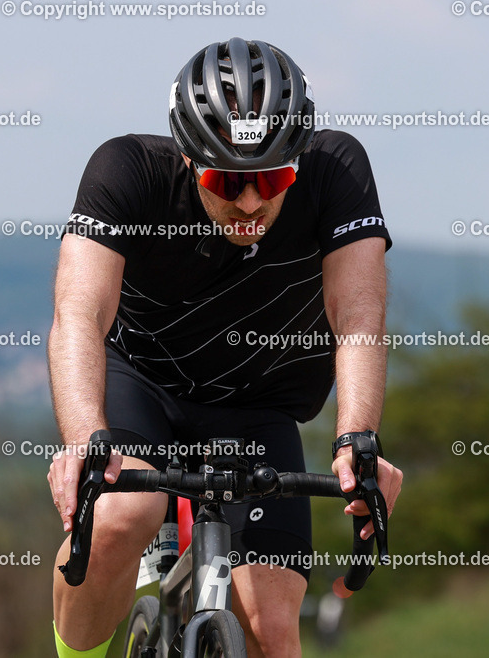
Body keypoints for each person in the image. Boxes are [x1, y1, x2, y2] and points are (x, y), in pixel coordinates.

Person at [47, 36, 403, 658]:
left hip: (261, 407)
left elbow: (358, 316)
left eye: (271, 176)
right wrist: (84, 440)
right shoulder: (126, 170)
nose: (251, 202)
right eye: (227, 179)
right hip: (145, 385)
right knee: (121, 518)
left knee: (273, 637)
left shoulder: (337, 169)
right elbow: (79, 315)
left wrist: (357, 439)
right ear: (188, 159)